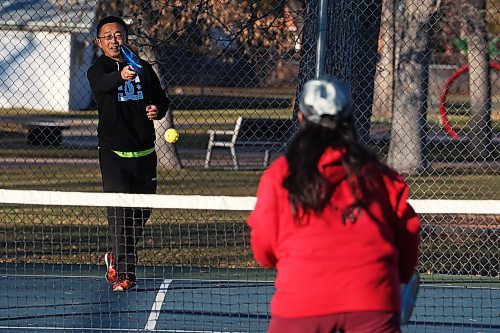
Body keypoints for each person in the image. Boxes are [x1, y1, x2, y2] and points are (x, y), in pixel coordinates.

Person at [247, 77, 420, 332]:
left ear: (301, 118)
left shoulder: (280, 175)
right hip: (372, 299)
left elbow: (263, 249)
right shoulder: (380, 174)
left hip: (300, 301)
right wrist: (400, 274)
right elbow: (407, 235)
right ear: (349, 119)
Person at [87, 16, 170, 292]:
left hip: (144, 152)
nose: (114, 40)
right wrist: (120, 75)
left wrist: (156, 109)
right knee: (120, 214)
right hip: (113, 154)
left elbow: (161, 97)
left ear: (126, 37)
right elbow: (102, 85)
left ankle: (115, 257)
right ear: (99, 42)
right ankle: (126, 274)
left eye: (118, 35)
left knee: (140, 214)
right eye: (108, 36)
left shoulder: (143, 68)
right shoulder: (97, 69)